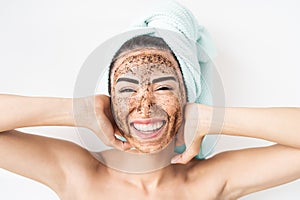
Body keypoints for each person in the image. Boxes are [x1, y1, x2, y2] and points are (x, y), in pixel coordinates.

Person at [1, 2, 300, 200]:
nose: (145, 105)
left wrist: (208, 119)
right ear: (110, 100)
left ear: (188, 97)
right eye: (128, 89)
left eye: (164, 87)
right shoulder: (77, 173)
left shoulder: (207, 182)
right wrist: (77, 111)